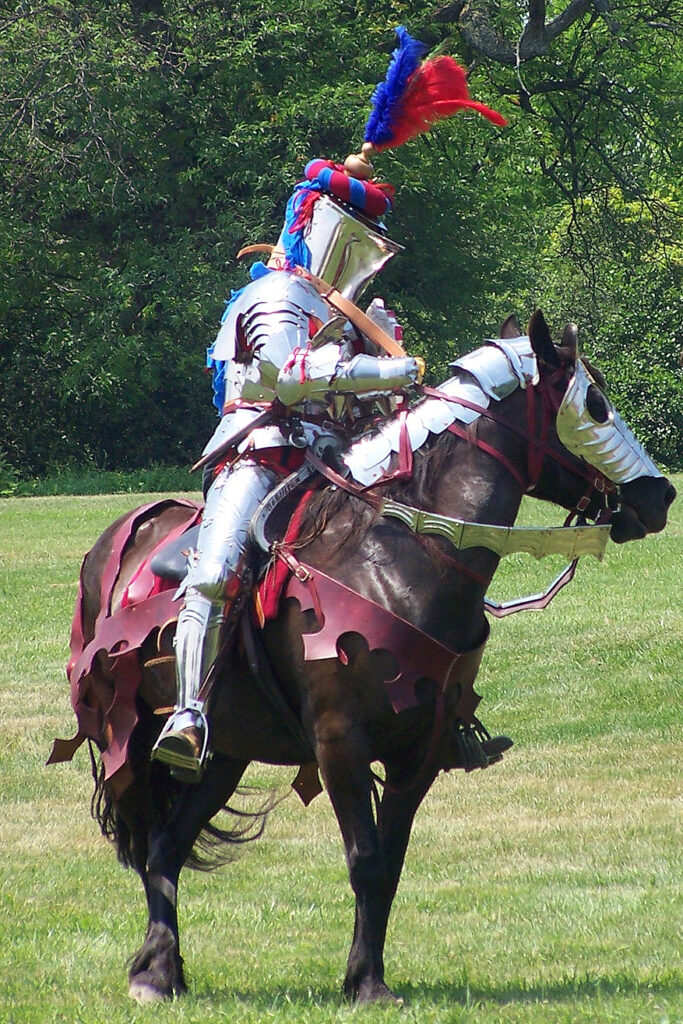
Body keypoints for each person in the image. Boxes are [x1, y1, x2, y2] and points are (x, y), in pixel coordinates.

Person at [152, 27, 508, 782]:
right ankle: (189, 713)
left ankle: (448, 714)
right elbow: (284, 378)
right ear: (317, 225)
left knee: (429, 554)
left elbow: (357, 394)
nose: (364, 252)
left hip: (333, 457)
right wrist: (380, 371)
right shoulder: (276, 292)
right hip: (262, 450)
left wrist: (391, 384)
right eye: (357, 234)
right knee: (216, 571)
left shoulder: (344, 310)